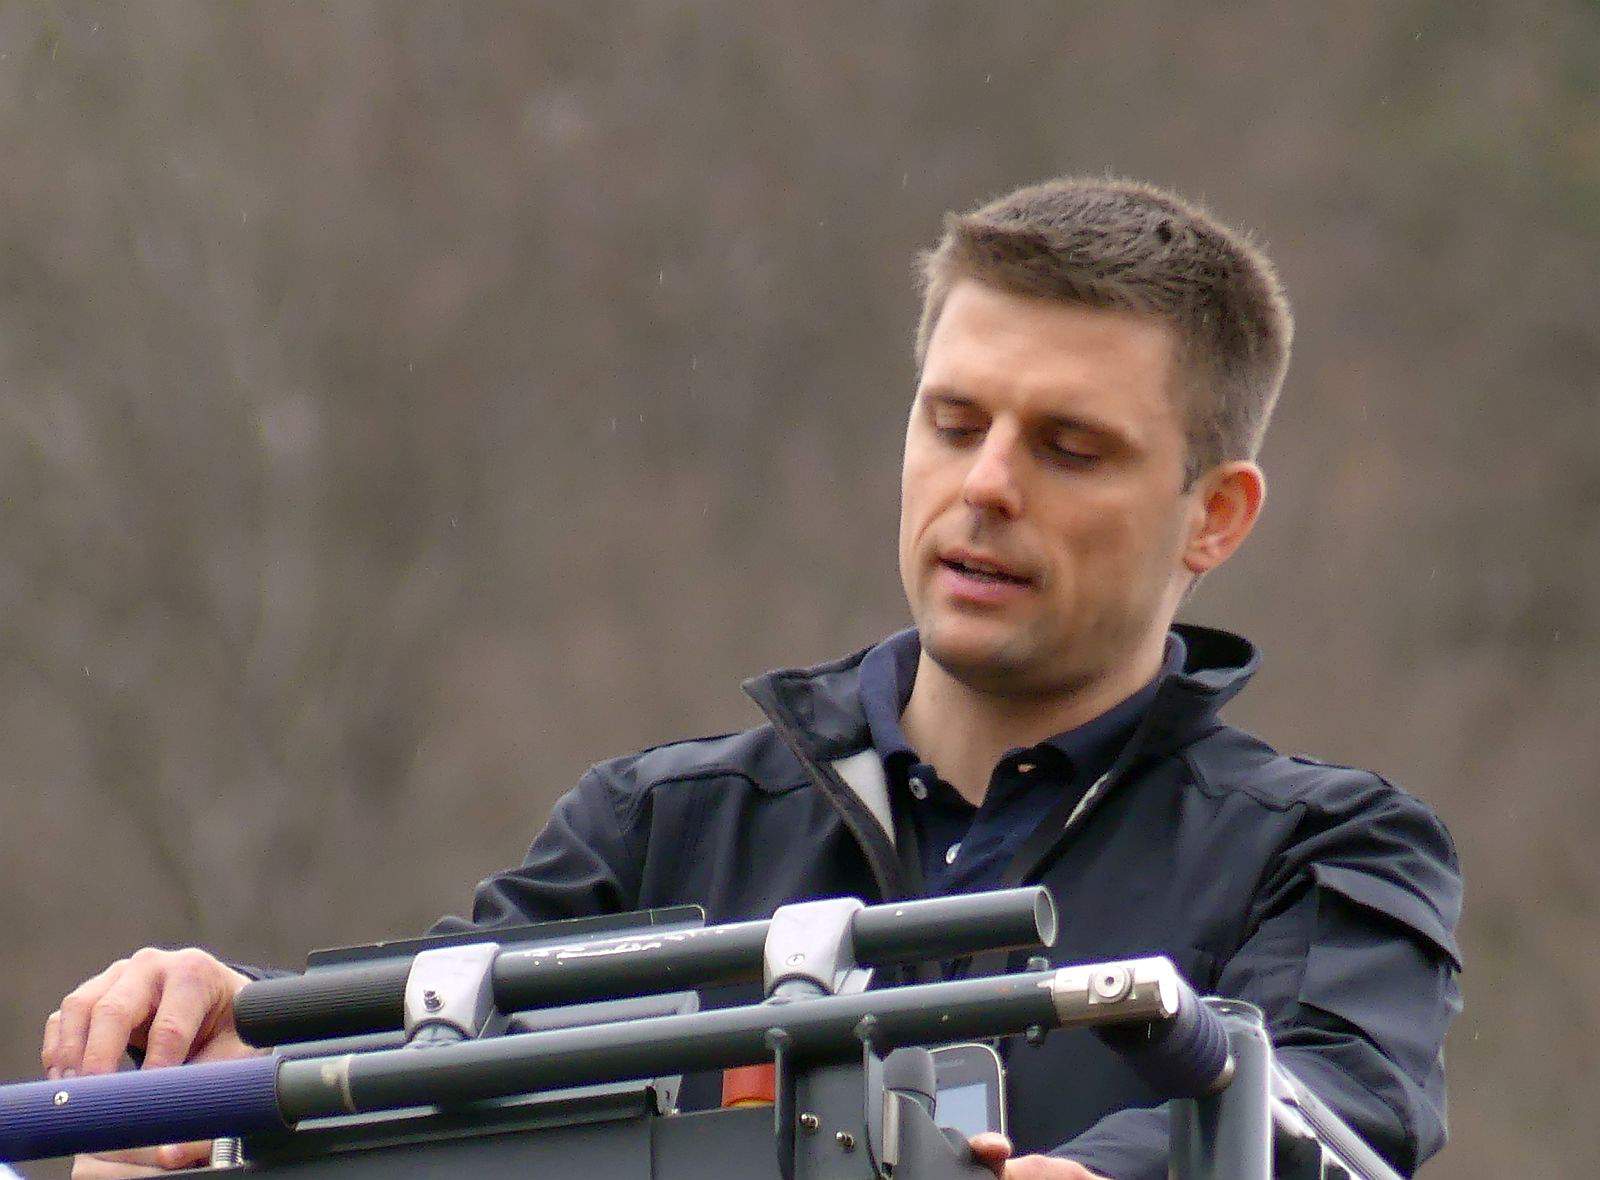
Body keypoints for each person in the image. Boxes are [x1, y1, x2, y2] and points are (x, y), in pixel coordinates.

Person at [40, 177, 1462, 1180]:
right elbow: (430, 1068)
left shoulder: (1327, 853)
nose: (985, 486)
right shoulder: (656, 827)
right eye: (953, 421)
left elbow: (1331, 1108)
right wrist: (232, 1047)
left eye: (1069, 448)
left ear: (1216, 516)